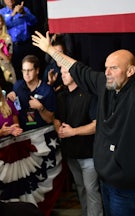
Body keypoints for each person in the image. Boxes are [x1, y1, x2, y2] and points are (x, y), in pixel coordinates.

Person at [32, 31, 135, 216]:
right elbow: (76, 68)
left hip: (129, 190)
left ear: (130, 71)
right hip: (106, 183)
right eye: (106, 67)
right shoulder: (104, 83)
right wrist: (50, 50)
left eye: (114, 68)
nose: (107, 72)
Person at [54, 63, 103, 216]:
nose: (63, 74)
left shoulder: (89, 95)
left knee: (91, 191)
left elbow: (96, 125)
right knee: (80, 188)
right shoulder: (61, 96)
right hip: (71, 154)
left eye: (66, 72)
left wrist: (73, 131)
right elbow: (56, 119)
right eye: (61, 72)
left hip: (88, 154)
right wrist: (59, 130)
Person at [7, 54, 55, 131]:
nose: (26, 73)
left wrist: (41, 108)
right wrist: (10, 100)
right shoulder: (17, 86)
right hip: (23, 132)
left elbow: (50, 119)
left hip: (41, 132)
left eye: (29, 70)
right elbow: (16, 108)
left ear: (37, 70)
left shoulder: (47, 90)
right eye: (24, 70)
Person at [0, 0, 37, 80]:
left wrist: (24, 14)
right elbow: (0, 26)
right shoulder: (1, 12)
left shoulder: (24, 9)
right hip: (12, 47)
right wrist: (12, 14)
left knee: (31, 68)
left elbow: (34, 21)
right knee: (17, 72)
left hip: (26, 44)